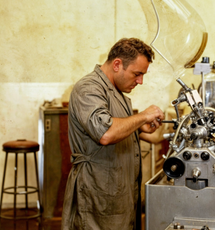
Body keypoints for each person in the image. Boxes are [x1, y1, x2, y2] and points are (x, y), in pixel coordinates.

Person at [61, 38, 165, 230]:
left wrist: (139, 129)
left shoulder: (118, 94)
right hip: (97, 196)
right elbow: (106, 133)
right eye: (137, 74)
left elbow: (118, 127)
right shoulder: (89, 88)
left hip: (119, 195)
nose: (140, 81)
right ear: (117, 64)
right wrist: (142, 116)